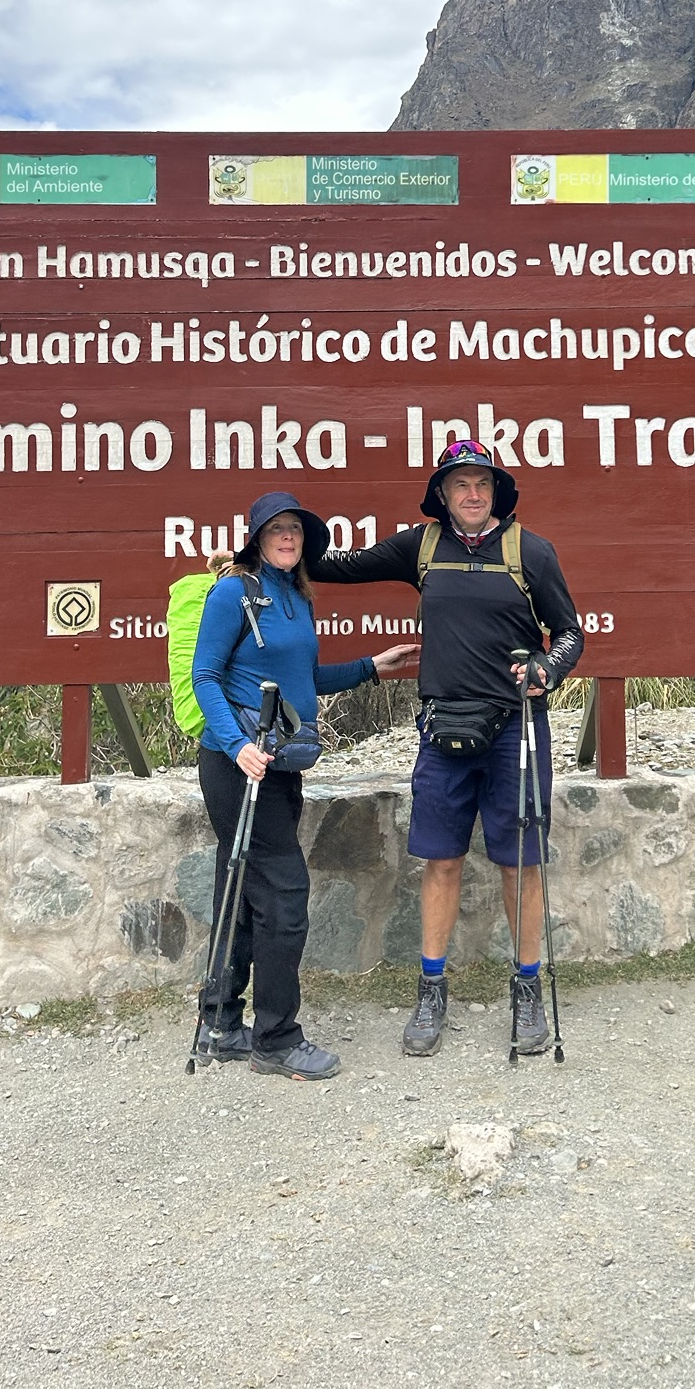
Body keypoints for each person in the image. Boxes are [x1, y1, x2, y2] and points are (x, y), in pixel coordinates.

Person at [308, 441, 583, 1059]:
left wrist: (547, 666)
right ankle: (432, 989)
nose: (472, 493)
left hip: (516, 726)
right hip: (443, 728)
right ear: (442, 494)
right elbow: (340, 567)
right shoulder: (421, 548)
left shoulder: (531, 552)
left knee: (520, 862)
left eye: (482, 482)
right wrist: (268, 556)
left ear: (496, 491)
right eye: (460, 483)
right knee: (442, 860)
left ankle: (528, 987)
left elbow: (570, 633)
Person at [191, 490, 418, 1081]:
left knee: (241, 891)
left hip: (282, 763)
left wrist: (372, 665)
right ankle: (275, 1038)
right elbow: (206, 675)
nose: (288, 537)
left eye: (295, 529)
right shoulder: (231, 592)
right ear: (257, 538)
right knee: (284, 897)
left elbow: (302, 677)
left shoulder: (293, 596)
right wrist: (237, 745)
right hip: (238, 765)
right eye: (277, 529)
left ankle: (221, 1022)